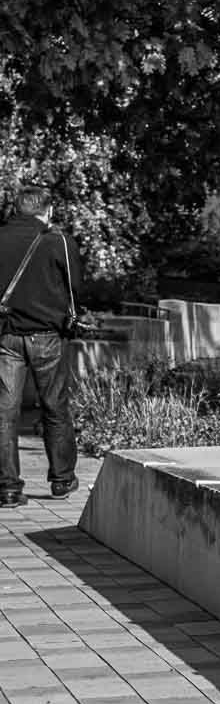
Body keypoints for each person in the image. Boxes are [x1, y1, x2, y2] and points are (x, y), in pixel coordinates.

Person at [0, 184, 80, 505]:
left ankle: (8, 488)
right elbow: (75, 288)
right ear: (48, 211)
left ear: (16, 209)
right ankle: (62, 479)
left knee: (5, 412)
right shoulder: (59, 241)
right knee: (54, 407)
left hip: (6, 336)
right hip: (47, 336)